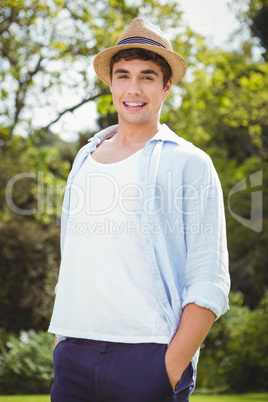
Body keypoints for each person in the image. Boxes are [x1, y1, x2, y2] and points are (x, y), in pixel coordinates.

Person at [48, 18, 230, 402]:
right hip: (73, 358)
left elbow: (208, 279)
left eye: (147, 77)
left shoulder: (191, 164)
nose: (133, 89)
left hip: (149, 360)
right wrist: (61, 342)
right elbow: (74, 258)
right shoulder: (83, 158)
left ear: (167, 86)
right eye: (123, 75)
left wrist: (170, 366)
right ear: (110, 83)